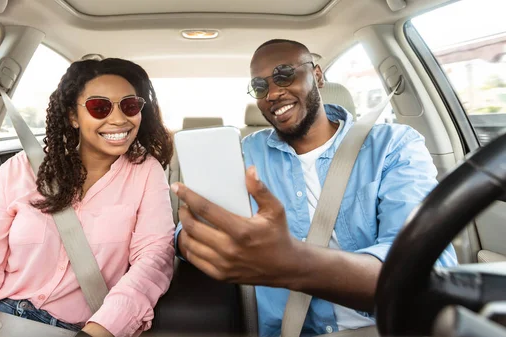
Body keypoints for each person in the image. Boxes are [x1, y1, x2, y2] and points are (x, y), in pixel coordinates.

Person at [173, 39, 458, 336]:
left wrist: (290, 262)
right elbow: (199, 224)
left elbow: (421, 261)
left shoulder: (392, 145)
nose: (272, 92)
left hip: (388, 326)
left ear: (318, 76)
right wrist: (186, 239)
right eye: (259, 86)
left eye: (284, 74)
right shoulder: (247, 154)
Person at [0, 58, 176, 337]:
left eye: (130, 106)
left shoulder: (145, 172)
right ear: (74, 116)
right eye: (100, 107)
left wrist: (103, 328)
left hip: (81, 329)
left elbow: (154, 259)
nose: (119, 118)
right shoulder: (20, 169)